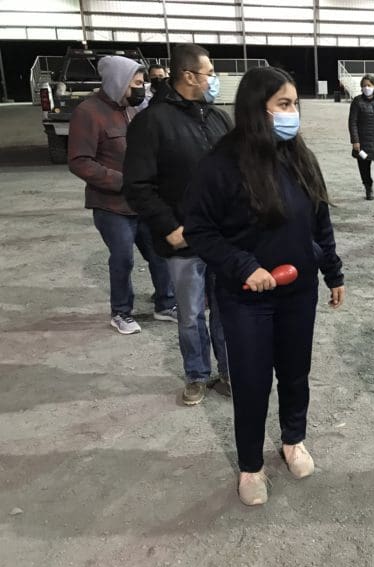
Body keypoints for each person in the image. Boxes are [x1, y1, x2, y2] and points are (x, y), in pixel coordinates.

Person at [184, 67, 345, 506]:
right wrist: (243, 266)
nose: (294, 114)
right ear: (259, 110)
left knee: (295, 374)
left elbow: (319, 220)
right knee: (253, 383)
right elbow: (199, 230)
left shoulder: (299, 156)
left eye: (295, 104)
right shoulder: (221, 164)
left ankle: (293, 440)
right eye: (285, 105)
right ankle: (250, 466)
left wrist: (332, 272)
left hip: (298, 294)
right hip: (246, 299)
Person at [124, 44, 232, 406]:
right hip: (183, 240)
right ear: (189, 76)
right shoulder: (151, 122)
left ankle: (230, 372)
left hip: (224, 239)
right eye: (210, 73)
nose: (213, 80)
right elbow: (137, 185)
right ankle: (197, 375)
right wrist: (169, 226)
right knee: (189, 315)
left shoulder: (218, 119)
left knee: (227, 311)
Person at [68, 55, 175, 335]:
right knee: (123, 258)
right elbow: (79, 161)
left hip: (142, 202)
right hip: (111, 205)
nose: (142, 89)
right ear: (120, 82)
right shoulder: (88, 113)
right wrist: (124, 181)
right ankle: (121, 312)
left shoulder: (131, 109)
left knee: (159, 252)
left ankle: (165, 304)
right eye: (137, 84)